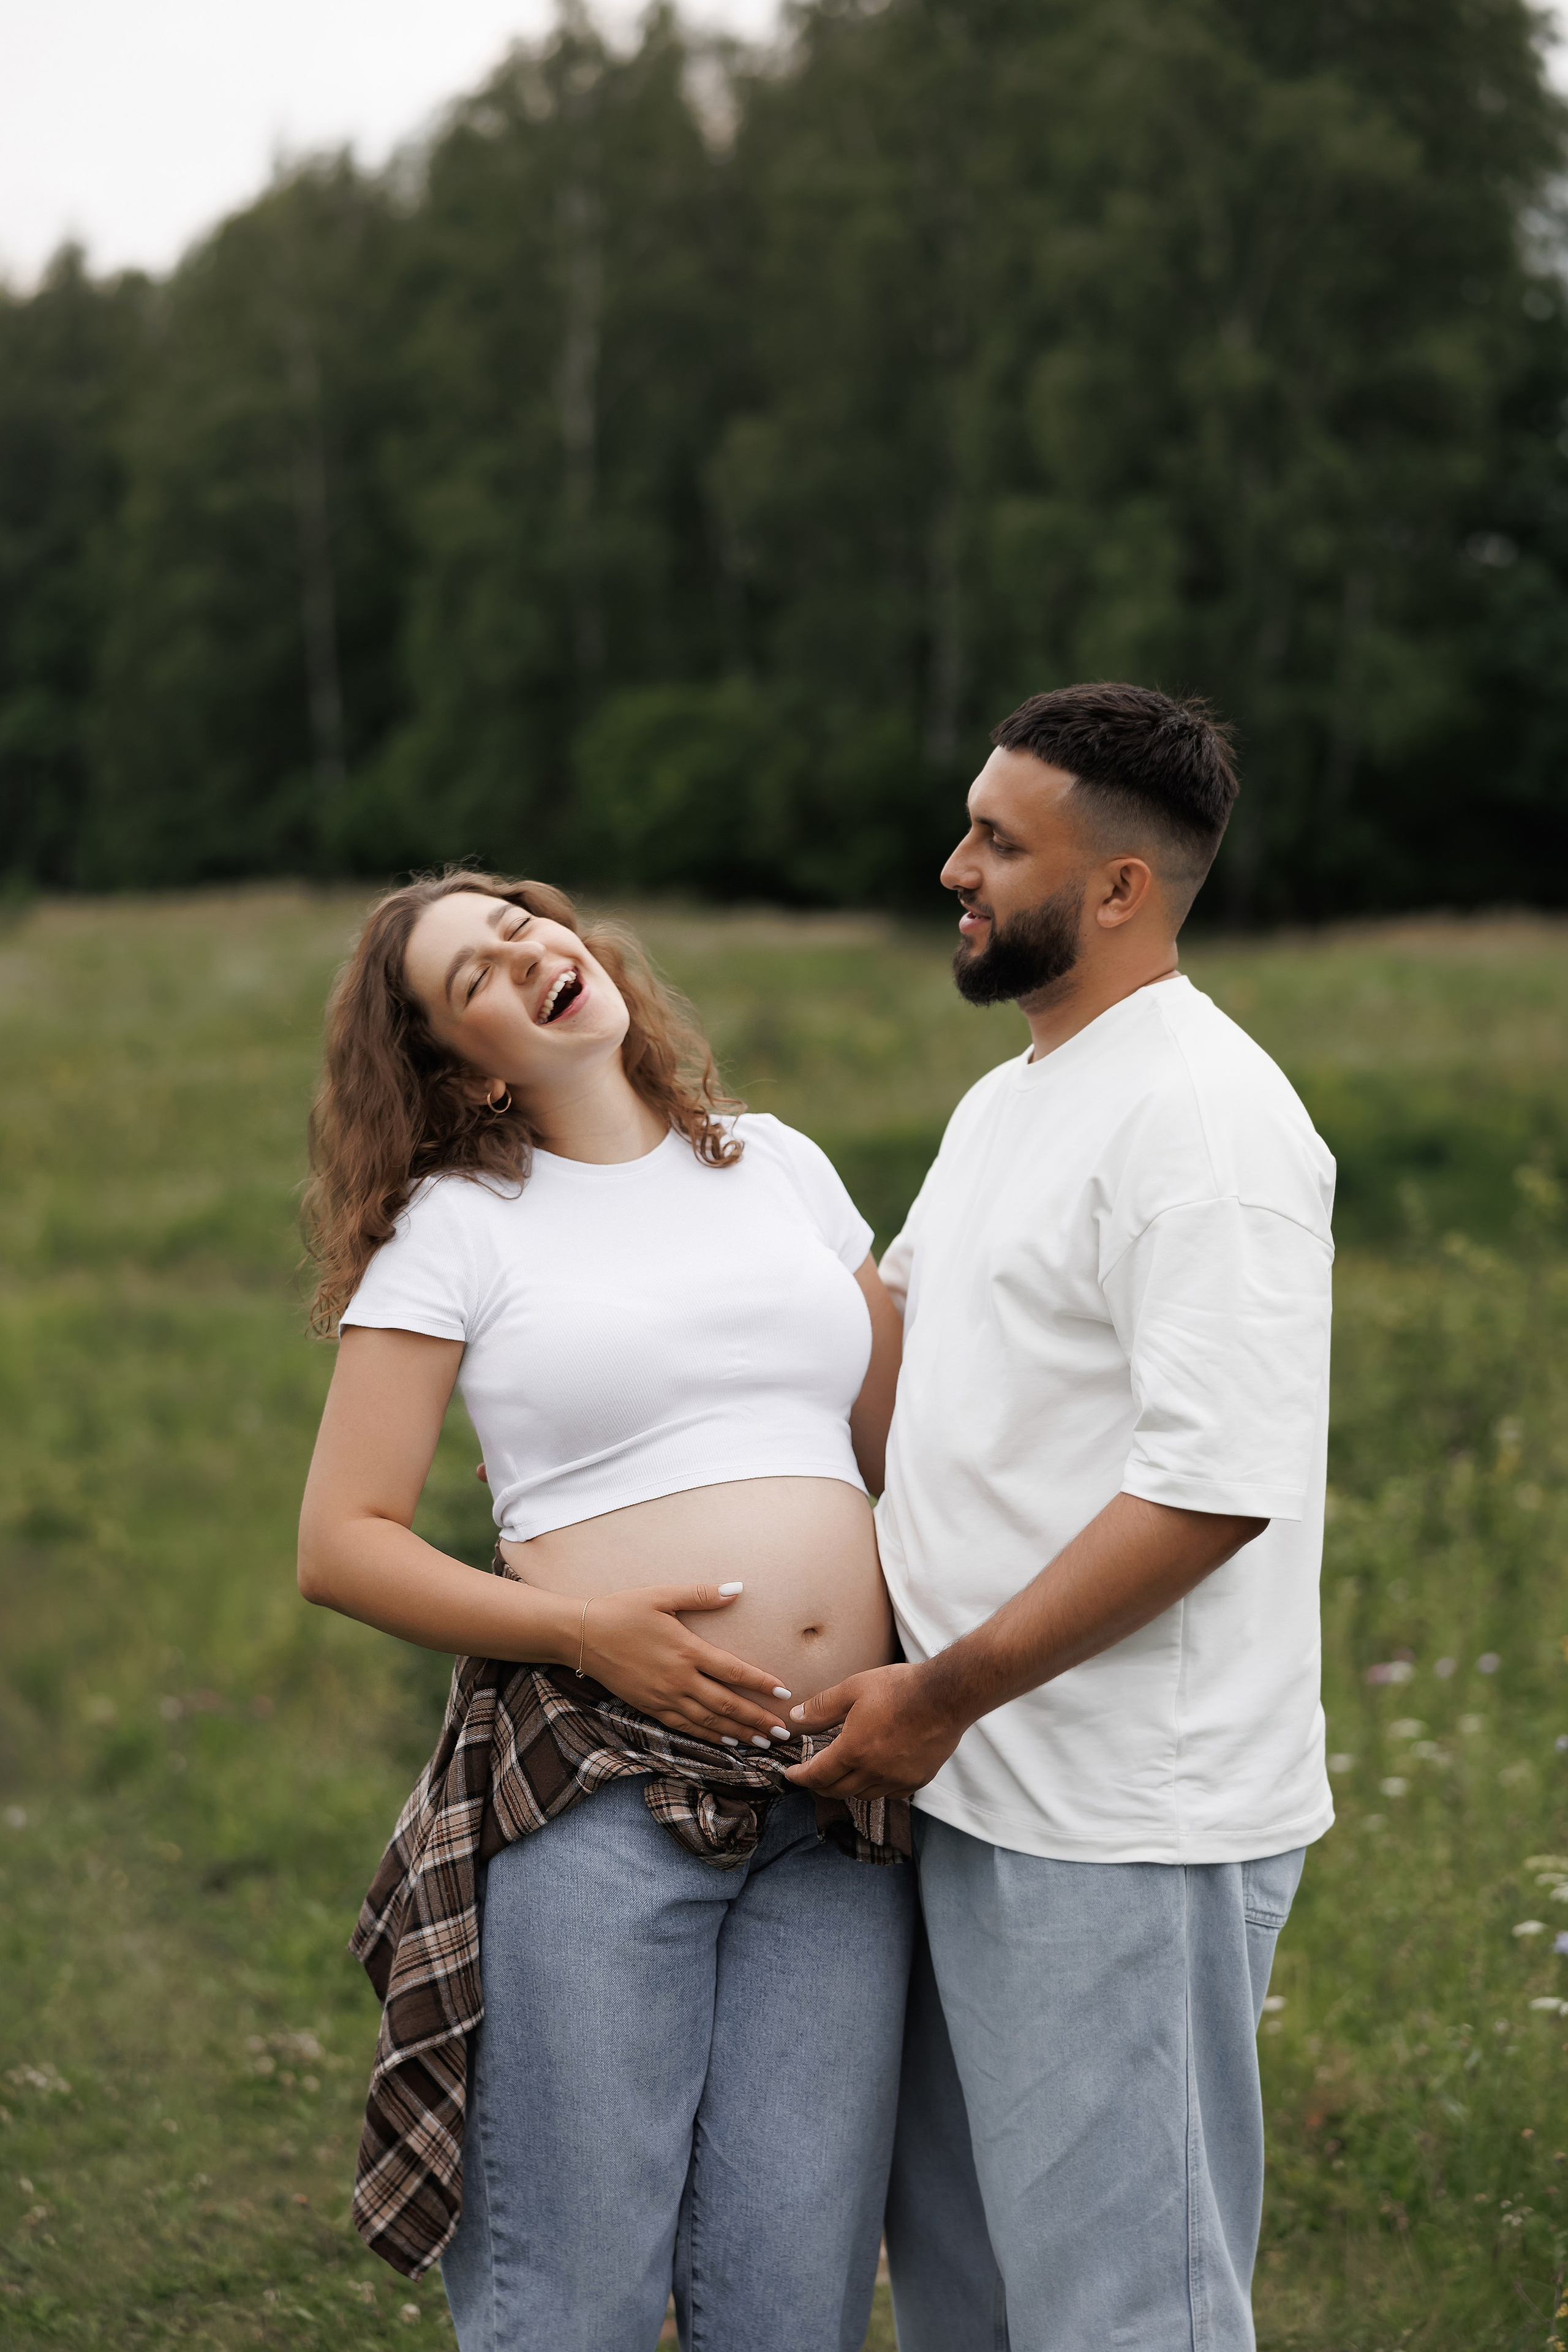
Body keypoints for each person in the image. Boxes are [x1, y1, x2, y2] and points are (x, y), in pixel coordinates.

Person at [296, 870, 914, 2352]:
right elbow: (340, 1541)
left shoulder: (777, 1165)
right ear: (462, 1066)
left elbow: (907, 1458)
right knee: (567, 2302)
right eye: (473, 982)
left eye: (523, 932)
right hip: (603, 1790)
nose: (524, 963)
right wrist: (585, 1631)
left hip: (837, 1801)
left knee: (790, 2306)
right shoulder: (457, 1226)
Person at [788, 685, 1336, 2351]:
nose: (953, 865)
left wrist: (936, 1694)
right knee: (976, 2303)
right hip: (971, 1792)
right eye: (969, 825)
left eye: (996, 841)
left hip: (1122, 1823)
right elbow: (900, 1379)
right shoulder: (1011, 1100)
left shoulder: (1207, 1121)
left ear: (1118, 890)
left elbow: (1205, 1492)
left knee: (1123, 2318)